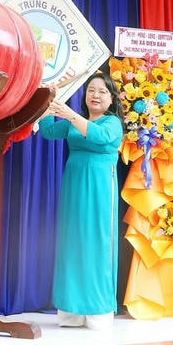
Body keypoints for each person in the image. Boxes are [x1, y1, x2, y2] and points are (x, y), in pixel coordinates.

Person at [38, 72, 125, 330]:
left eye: (102, 91)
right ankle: (71, 311)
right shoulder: (75, 120)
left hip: (99, 188)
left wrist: (69, 115)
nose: (95, 95)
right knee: (72, 243)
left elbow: (98, 137)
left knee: (97, 243)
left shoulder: (112, 123)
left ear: (111, 99)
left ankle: (98, 311)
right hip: (74, 186)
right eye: (91, 90)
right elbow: (48, 132)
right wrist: (47, 103)